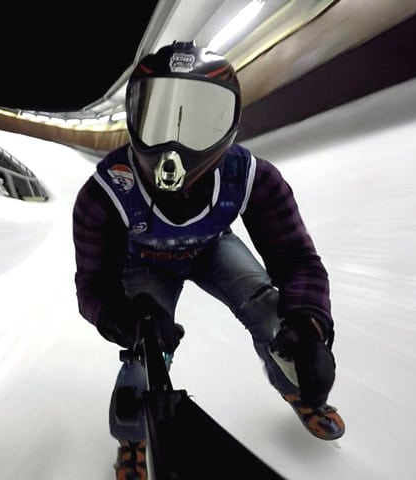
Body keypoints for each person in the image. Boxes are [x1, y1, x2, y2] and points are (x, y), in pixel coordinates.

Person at [72, 41, 344, 480]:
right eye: (160, 117)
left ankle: (134, 438)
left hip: (153, 257)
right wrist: (312, 322)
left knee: (150, 348)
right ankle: (302, 389)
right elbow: (295, 259)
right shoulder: (248, 175)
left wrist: (308, 321)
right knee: (253, 317)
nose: (174, 148)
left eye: (201, 120)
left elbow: (92, 287)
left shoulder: (106, 192)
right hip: (209, 245)